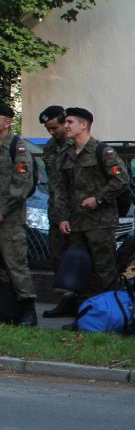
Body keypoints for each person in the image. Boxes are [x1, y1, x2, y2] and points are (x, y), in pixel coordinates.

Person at [53, 107, 130, 298]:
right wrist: (63, 217)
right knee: (79, 271)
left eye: (70, 122)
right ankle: (83, 309)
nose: (66, 126)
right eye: (65, 122)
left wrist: (98, 199)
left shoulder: (103, 151)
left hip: (100, 223)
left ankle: (106, 309)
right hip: (77, 223)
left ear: (83, 125)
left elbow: (121, 180)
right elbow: (61, 190)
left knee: (104, 270)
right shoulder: (66, 154)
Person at [37, 105, 79, 318]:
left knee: (78, 258)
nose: (52, 132)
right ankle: (66, 299)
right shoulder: (50, 147)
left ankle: (83, 301)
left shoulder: (77, 144)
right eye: (48, 129)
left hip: (77, 213)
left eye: (55, 127)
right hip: (56, 211)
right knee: (58, 258)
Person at [0, 102, 38, 325]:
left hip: (10, 219)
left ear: (7, 122)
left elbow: (22, 184)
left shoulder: (17, 147)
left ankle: (28, 311)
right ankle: (6, 310)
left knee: (15, 264)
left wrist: (3, 210)